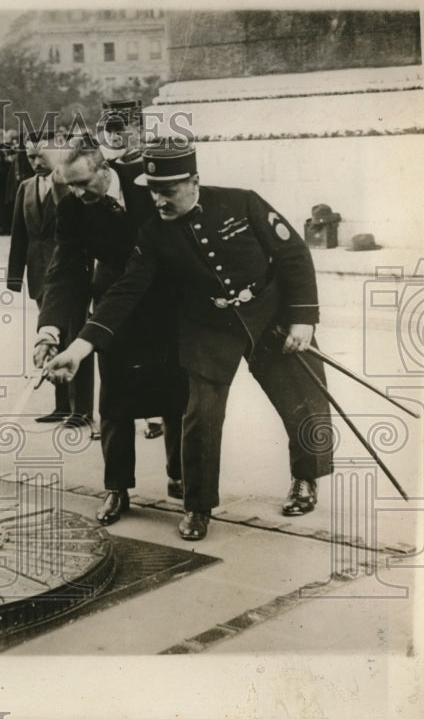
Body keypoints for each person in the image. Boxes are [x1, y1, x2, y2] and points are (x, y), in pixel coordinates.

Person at [45, 142, 333, 540]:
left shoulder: (242, 203)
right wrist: (80, 347)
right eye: (152, 190)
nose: (158, 199)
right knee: (199, 415)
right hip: (207, 326)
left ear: (194, 182)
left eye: (168, 190)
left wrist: (302, 318)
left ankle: (306, 479)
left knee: (301, 397)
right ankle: (198, 507)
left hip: (268, 316)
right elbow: (124, 291)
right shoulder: (153, 234)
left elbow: (294, 254)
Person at [35, 134, 185, 527]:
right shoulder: (71, 207)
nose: (78, 193)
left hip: (167, 304)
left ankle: (181, 476)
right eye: (69, 184)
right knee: (115, 401)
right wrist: (49, 329)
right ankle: (117, 487)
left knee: (176, 394)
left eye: (84, 182)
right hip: (113, 313)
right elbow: (65, 269)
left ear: (105, 168)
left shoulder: (144, 183)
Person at [7, 131, 94, 430]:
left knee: (76, 339)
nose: (34, 162)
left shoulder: (72, 186)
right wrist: (14, 278)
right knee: (50, 342)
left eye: (39, 155)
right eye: (29, 156)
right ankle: (61, 406)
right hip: (39, 275)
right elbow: (20, 235)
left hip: (71, 275)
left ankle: (82, 409)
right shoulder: (26, 188)